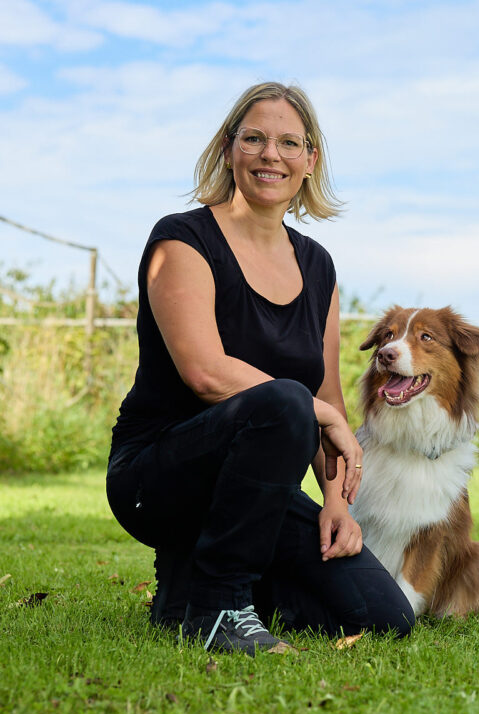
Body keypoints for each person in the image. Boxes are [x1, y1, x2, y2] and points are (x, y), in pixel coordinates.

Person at [106, 82, 414, 655]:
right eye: (254, 139)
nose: (271, 154)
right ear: (229, 150)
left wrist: (336, 504)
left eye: (288, 143)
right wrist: (317, 410)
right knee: (286, 400)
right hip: (156, 477)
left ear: (309, 160)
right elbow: (204, 372)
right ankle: (218, 609)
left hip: (255, 495)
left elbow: (327, 392)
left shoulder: (318, 266)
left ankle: (188, 589)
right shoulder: (182, 239)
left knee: (382, 614)